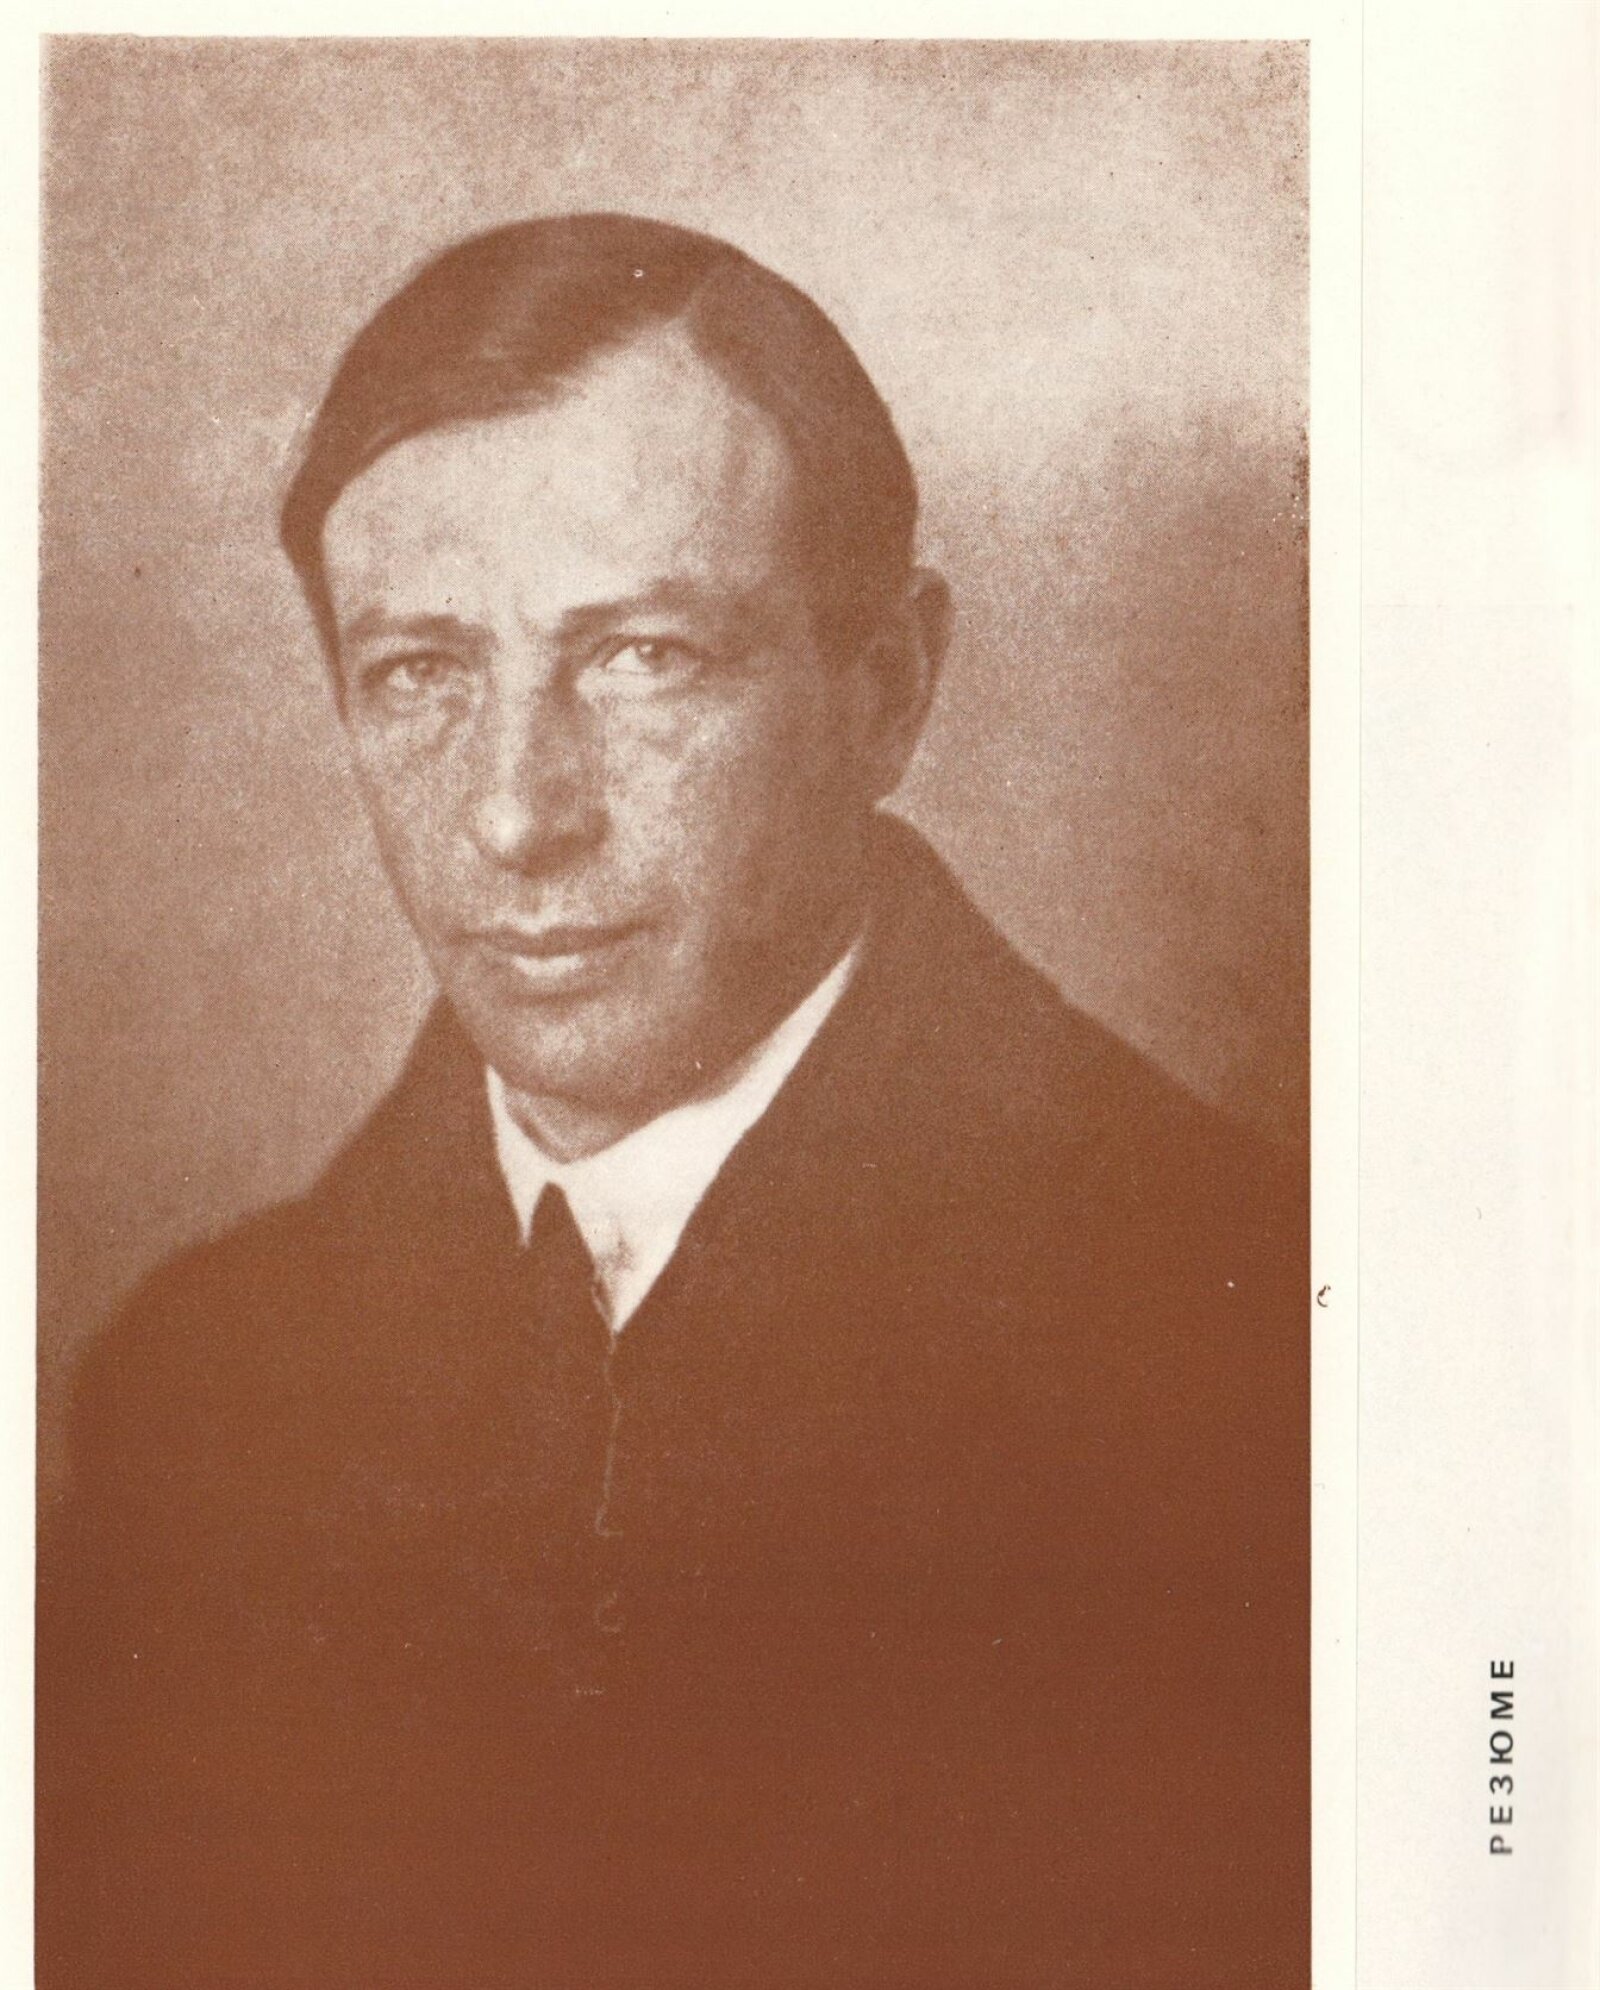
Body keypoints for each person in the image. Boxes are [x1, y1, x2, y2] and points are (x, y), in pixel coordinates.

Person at [38, 213, 1307, 1987]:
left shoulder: (1249, 1347)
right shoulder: (195, 1391)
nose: (515, 814)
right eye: (420, 672)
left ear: (885, 691)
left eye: (641, 656)